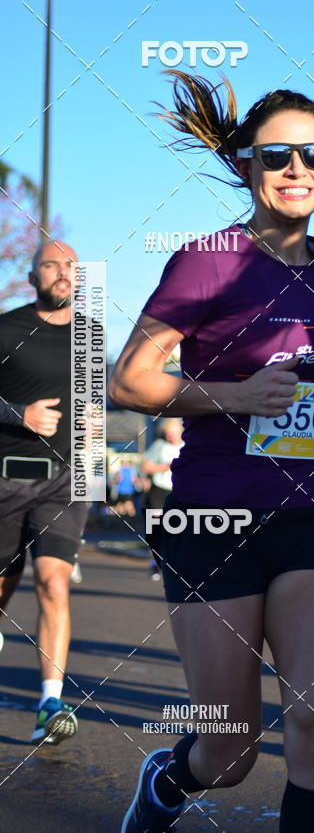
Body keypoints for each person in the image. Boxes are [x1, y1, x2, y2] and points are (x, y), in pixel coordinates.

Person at [109, 72, 314, 833]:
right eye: (278, 155)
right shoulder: (208, 260)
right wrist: (235, 395)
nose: (297, 167)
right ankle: (169, 781)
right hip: (212, 518)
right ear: (248, 166)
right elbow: (129, 382)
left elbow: (307, 398)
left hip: (311, 514)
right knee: (229, 747)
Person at [0, 240, 88, 744]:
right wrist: (21, 415)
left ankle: (50, 703)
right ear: (33, 276)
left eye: (70, 265)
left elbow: (93, 410)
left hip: (64, 482)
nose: (62, 272)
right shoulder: (7, 328)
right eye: (50, 264)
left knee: (54, 581)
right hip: (7, 477)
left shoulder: (91, 335)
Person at [141, 418, 183, 579]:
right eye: (168, 434)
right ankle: (154, 562)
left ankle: (172, 562)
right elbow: (145, 466)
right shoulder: (159, 446)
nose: (171, 437)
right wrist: (166, 466)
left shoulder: (187, 446)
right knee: (156, 528)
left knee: (175, 528)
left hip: (178, 491)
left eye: (174, 433)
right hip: (159, 491)